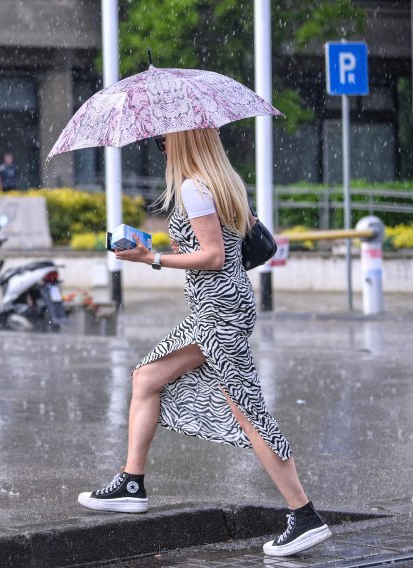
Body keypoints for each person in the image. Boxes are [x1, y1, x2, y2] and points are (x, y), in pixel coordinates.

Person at [77, 128, 331, 558]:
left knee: (248, 413)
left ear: (184, 142)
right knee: (146, 377)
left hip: (218, 313)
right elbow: (227, 246)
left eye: (163, 142)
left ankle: (304, 515)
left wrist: (151, 257)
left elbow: (212, 256)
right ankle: (131, 483)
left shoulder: (195, 186)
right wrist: (179, 246)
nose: (161, 149)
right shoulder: (225, 180)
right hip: (221, 307)